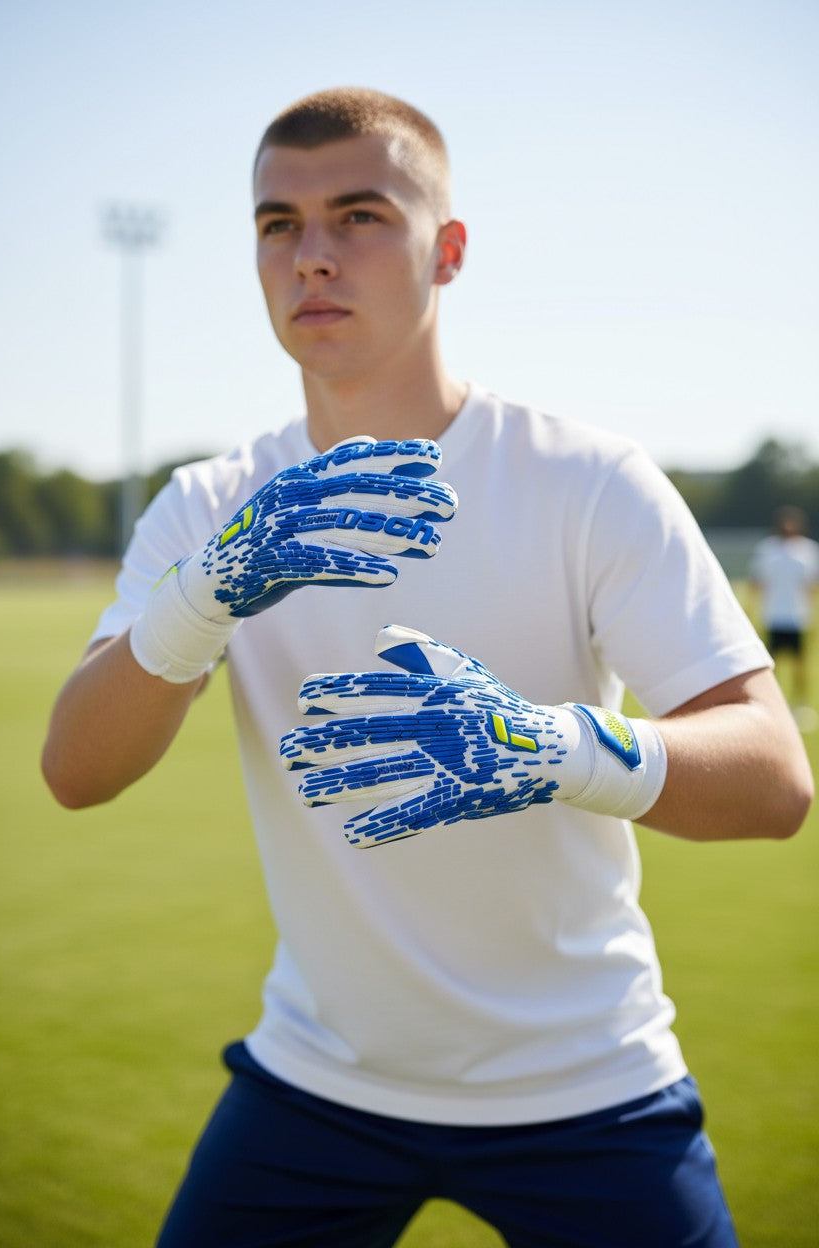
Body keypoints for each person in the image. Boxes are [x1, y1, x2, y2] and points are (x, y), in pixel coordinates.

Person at [42, 88, 813, 1248]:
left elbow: (773, 779)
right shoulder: (209, 506)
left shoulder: (583, 480)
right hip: (318, 1081)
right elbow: (76, 771)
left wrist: (554, 749)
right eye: (276, 224)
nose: (310, 257)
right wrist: (200, 599)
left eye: (358, 215)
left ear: (446, 250)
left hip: (586, 1085)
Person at [750, 505, 819, 732]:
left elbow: (812, 585)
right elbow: (758, 582)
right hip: (773, 617)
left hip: (798, 618)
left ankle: (800, 707)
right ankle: (773, 707)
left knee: (801, 666)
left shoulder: (808, 551)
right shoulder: (767, 549)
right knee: (770, 667)